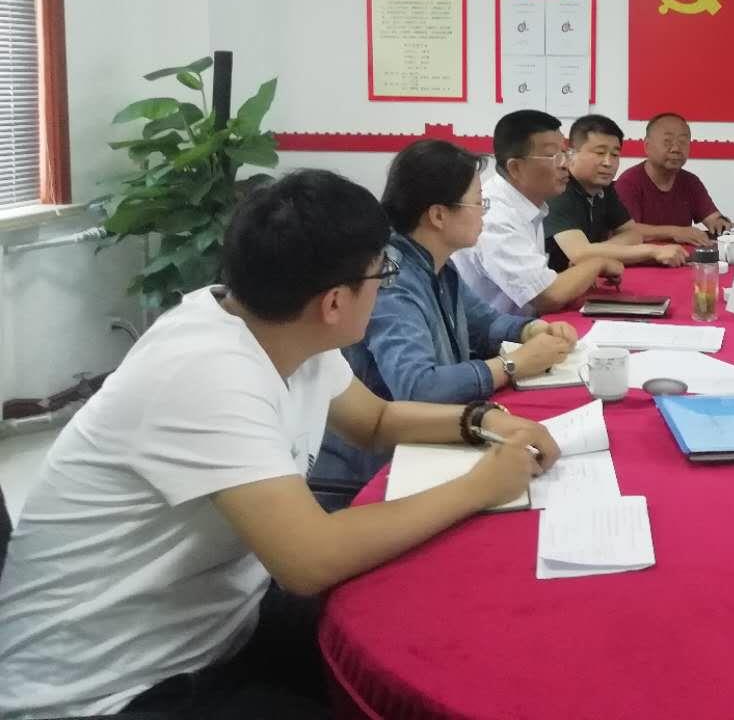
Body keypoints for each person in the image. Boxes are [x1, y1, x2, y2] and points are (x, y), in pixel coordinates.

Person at [0, 170, 559, 718]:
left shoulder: (281, 326)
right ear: (334, 302)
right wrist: (481, 485)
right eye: (381, 272)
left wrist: (482, 420)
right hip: (112, 688)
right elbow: (310, 558)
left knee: (434, 629)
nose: (385, 285)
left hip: (219, 623)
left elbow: (376, 419)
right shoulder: (208, 372)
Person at [313, 139, 579, 487]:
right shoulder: (390, 280)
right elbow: (418, 387)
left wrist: (531, 330)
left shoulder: (436, 264)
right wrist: (512, 364)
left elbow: (485, 323)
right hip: (377, 471)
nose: (484, 212)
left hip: (430, 441)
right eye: (478, 202)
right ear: (438, 215)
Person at [452, 110, 623, 317]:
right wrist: (597, 263)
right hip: (494, 335)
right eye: (553, 156)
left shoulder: (530, 203)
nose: (564, 164)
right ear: (516, 167)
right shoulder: (495, 218)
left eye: (565, 153)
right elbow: (548, 296)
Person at [546, 114, 695, 272]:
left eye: (615, 155)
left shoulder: (604, 187)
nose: (608, 163)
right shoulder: (558, 189)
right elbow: (579, 253)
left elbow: (633, 234)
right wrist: (652, 251)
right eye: (600, 153)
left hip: (587, 278)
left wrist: (595, 252)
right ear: (571, 154)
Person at [613, 112, 732, 239]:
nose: (676, 149)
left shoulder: (690, 182)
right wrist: (675, 232)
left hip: (682, 252)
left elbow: (713, 218)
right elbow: (626, 231)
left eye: (682, 142)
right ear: (647, 146)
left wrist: (720, 223)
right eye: (667, 141)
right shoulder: (629, 183)